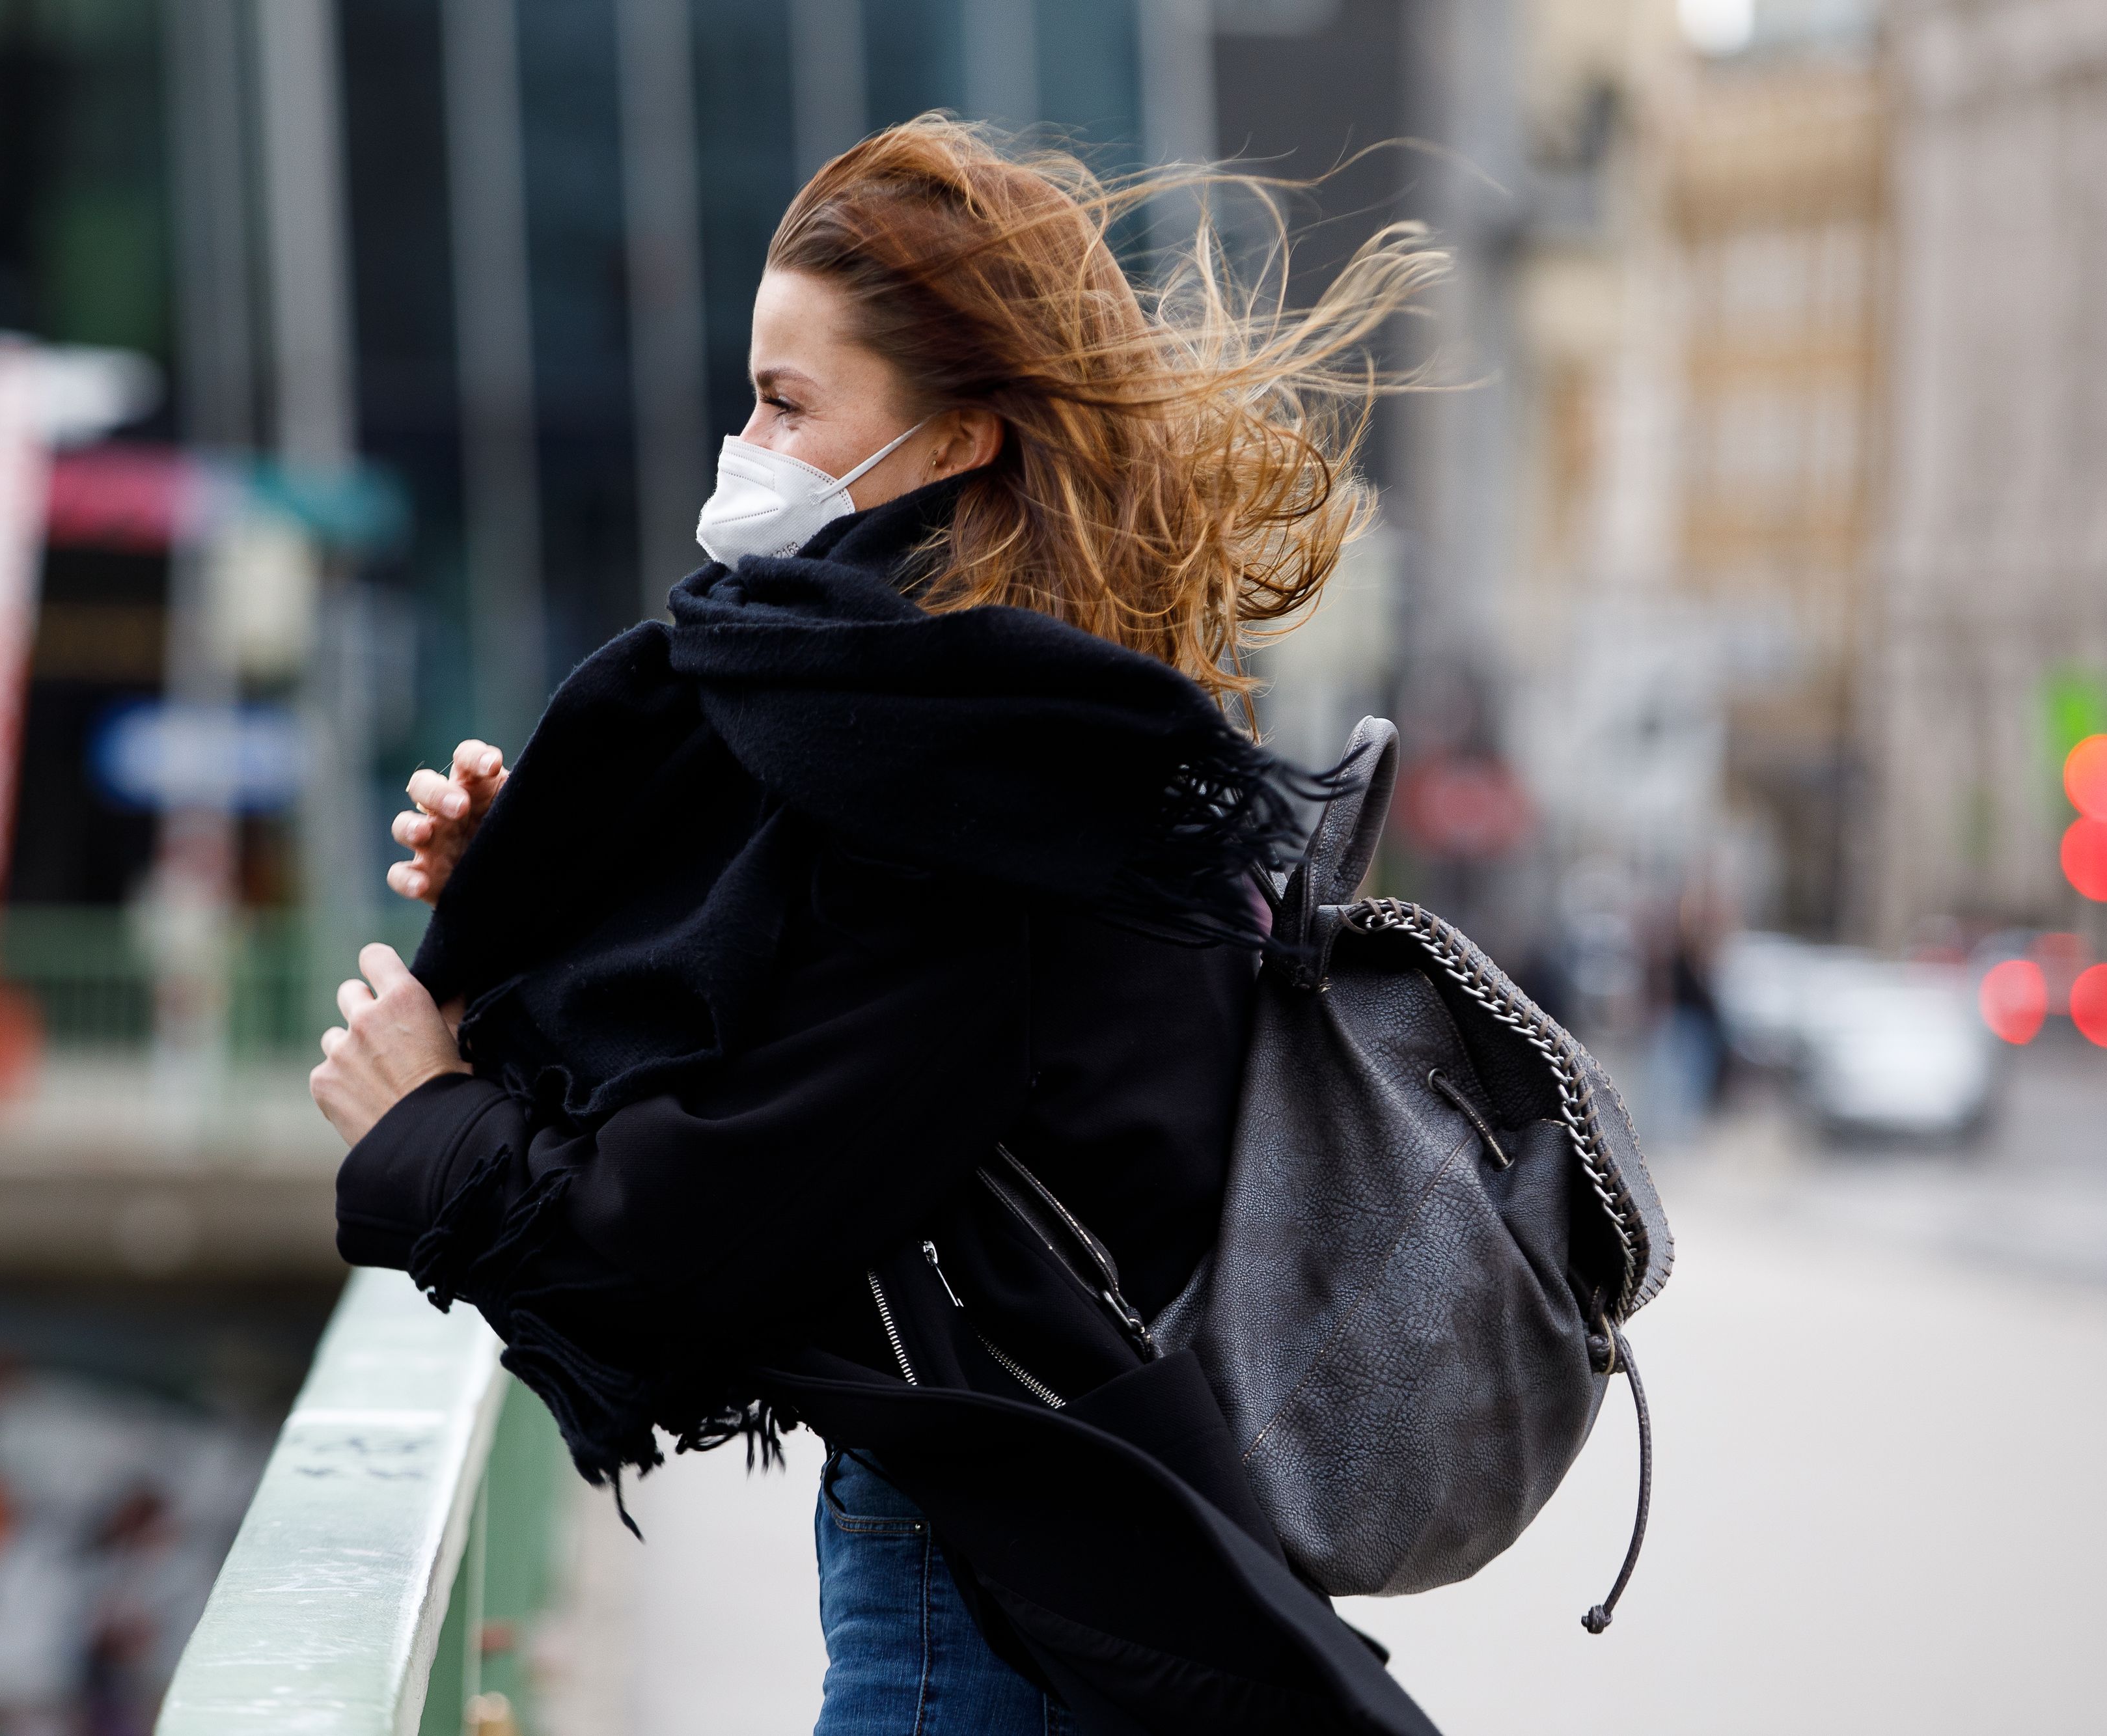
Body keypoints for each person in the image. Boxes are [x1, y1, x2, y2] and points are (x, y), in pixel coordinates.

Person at [312, 118, 1444, 1735]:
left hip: (998, 1577)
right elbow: (824, 1050)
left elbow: (700, 1218)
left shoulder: (970, 779)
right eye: (748, 393)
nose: (746, 447)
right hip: (1032, 1543)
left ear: (957, 438)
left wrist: (426, 1119)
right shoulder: (989, 723)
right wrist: (545, 890)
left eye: (787, 403)